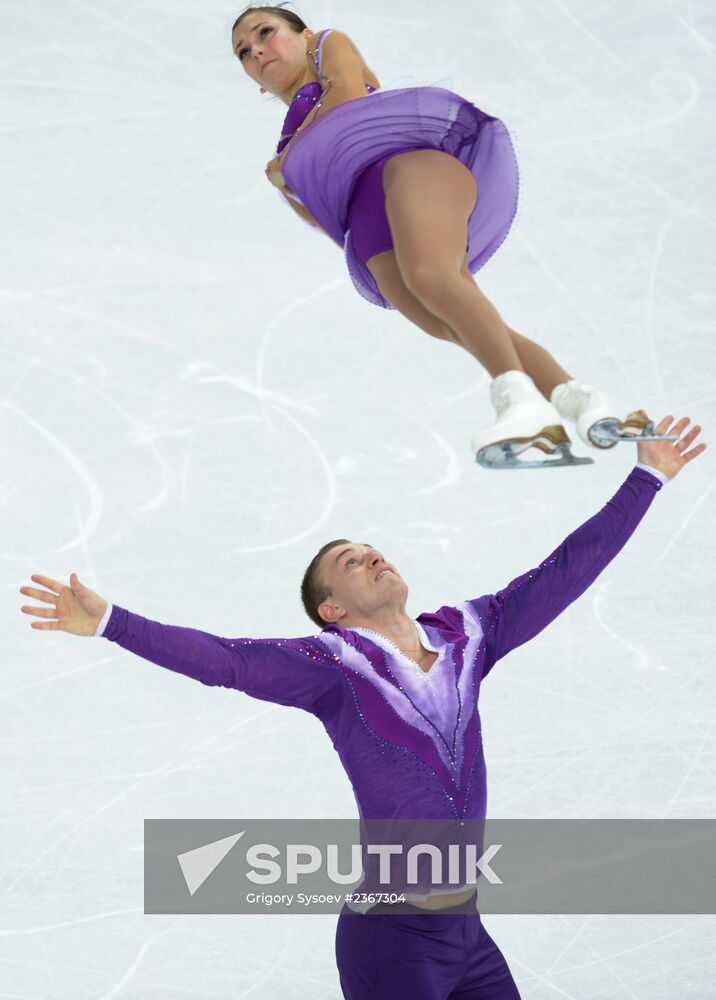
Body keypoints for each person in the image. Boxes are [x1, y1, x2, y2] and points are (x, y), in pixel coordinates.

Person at [19, 418, 706, 998]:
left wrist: (645, 479)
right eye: (350, 561)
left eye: (371, 549)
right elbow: (224, 660)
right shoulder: (330, 667)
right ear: (333, 611)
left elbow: (565, 571)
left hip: (465, 931)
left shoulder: (470, 633)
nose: (371, 555)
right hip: (392, 940)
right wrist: (114, 622)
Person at [231, 3, 674, 469]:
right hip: (367, 222)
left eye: (266, 33)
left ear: (303, 35)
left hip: (410, 169)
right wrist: (289, 183)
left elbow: (343, 97)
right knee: (440, 318)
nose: (257, 50)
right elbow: (328, 217)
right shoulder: (286, 146)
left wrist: (293, 164)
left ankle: (522, 409)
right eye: (245, 52)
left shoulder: (327, 46)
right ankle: (580, 400)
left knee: (431, 278)